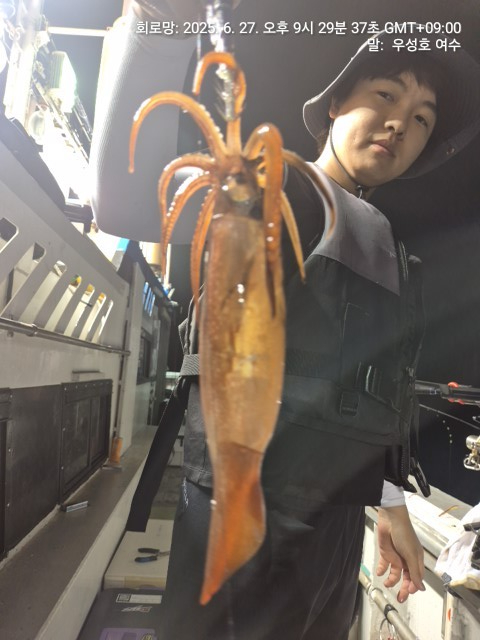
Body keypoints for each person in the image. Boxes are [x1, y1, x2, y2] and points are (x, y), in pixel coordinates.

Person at [90, 2, 480, 638]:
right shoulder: (276, 190)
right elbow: (126, 201)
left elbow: (368, 393)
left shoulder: (386, 243)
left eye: (421, 119)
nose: (399, 124)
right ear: (334, 104)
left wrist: (389, 503)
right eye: (385, 95)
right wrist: (156, 22)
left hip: (334, 527)